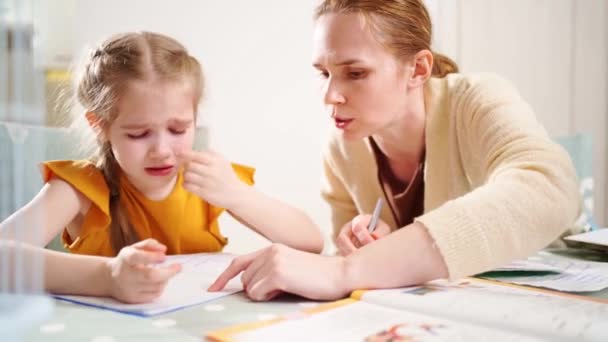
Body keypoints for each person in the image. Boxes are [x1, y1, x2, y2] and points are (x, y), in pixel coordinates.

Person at [208, 0, 581, 301]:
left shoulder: (475, 100)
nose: (329, 96)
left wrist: (347, 270)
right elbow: (355, 267)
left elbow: (549, 190)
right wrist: (368, 250)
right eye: (324, 73)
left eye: (355, 73)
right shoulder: (342, 147)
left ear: (418, 69)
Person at [0, 31, 323, 303]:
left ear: (195, 120)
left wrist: (238, 195)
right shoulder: (79, 186)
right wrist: (108, 276)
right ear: (100, 126)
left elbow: (309, 243)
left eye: (178, 130)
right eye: (139, 134)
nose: (161, 150)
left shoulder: (208, 179)